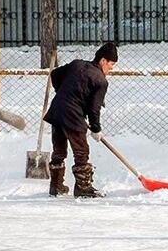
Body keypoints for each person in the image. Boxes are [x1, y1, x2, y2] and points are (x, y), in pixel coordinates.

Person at [43, 42, 117, 198]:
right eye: (111, 64)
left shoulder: (77, 64)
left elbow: (55, 74)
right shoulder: (101, 81)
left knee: (59, 150)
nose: (111, 68)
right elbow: (94, 109)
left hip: (57, 110)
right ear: (103, 60)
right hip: (73, 115)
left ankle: (56, 186)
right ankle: (83, 187)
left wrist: (63, 93)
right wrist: (96, 128)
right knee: (81, 151)